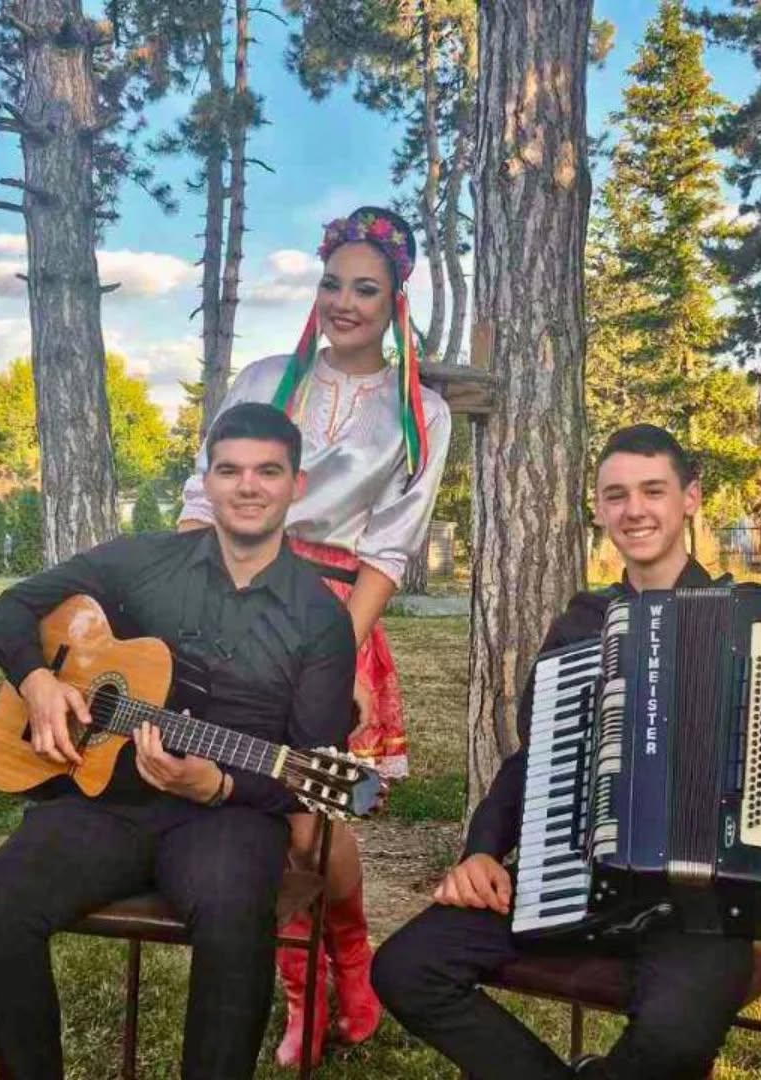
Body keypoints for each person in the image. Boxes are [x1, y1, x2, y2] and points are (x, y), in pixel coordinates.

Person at [371, 424, 761, 1080]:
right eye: (616, 494)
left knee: (675, 1043)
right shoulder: (582, 622)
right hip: (574, 880)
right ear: (598, 507)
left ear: (690, 498)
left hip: (703, 908)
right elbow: (531, 761)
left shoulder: (754, 626)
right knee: (405, 967)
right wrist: (480, 850)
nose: (634, 510)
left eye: (653, 490)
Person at [0, 403, 357, 1080]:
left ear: (297, 484)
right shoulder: (144, 560)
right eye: (229, 470)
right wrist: (38, 682)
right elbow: (12, 607)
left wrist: (220, 784)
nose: (248, 486)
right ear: (207, 481)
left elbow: (309, 771)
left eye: (268, 471)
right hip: (104, 802)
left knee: (235, 922)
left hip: (228, 819)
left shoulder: (320, 619)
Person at [178, 206, 453, 1066]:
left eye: (365, 289)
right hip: (233, 604)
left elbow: (390, 548)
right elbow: (199, 502)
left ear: (395, 299)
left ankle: (351, 970)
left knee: (313, 819)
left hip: (335, 613)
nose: (343, 302)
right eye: (332, 284)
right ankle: (305, 992)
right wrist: (196, 618)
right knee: (254, 805)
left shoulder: (421, 413)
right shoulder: (265, 378)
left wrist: (332, 655)